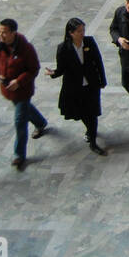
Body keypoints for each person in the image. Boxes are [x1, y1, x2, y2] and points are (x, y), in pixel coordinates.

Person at [0, 17, 49, 171]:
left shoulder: (26, 48)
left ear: (13, 33)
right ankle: (41, 123)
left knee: (19, 121)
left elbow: (34, 68)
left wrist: (19, 81)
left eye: (4, 32)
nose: (1, 35)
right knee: (24, 109)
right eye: (0, 32)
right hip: (8, 90)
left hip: (22, 90)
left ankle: (19, 154)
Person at [46, 17, 108, 156]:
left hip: (91, 85)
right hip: (74, 87)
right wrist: (53, 73)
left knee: (92, 113)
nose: (82, 33)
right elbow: (61, 69)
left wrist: (102, 79)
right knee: (82, 113)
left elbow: (98, 61)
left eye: (83, 30)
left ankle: (92, 140)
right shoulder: (63, 48)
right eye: (79, 31)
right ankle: (90, 130)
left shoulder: (89, 42)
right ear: (71, 33)